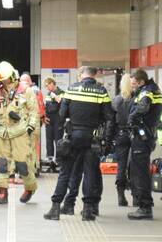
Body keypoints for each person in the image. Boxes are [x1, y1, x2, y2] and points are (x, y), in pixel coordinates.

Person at [43, 65, 114, 221]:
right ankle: (88, 211)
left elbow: (62, 114)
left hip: (73, 136)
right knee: (90, 173)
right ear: (94, 76)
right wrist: (106, 141)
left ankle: (55, 209)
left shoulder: (71, 89)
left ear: (82, 75)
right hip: (92, 138)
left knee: (65, 172)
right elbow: (109, 117)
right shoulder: (101, 91)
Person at [0, 61, 39, 204]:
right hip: (2, 133)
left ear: (11, 76)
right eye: (0, 80)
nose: (3, 82)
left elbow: (34, 112)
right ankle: (3, 193)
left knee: (22, 164)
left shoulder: (25, 90)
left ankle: (30, 188)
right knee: (2, 164)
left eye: (5, 79)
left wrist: (30, 128)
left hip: (20, 133)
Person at [127, 69, 162, 220]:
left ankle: (145, 207)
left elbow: (142, 108)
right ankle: (145, 205)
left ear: (142, 82)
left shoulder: (147, 92)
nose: (133, 86)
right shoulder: (153, 90)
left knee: (140, 172)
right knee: (141, 170)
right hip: (148, 135)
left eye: (135, 84)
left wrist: (131, 118)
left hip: (142, 137)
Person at [112, 73, 134, 207]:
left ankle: (121, 196)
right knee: (135, 165)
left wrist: (109, 138)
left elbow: (111, 121)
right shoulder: (137, 99)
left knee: (121, 165)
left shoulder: (117, 100)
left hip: (120, 134)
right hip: (134, 133)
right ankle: (136, 196)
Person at [18, 73, 45, 176]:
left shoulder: (22, 91)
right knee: (34, 146)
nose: (22, 84)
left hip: (26, 122)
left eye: (23, 82)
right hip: (34, 122)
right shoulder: (37, 91)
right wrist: (42, 118)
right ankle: (34, 168)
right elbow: (41, 107)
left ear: (29, 82)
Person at [43, 77, 63, 170]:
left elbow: (62, 102)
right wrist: (44, 116)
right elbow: (46, 106)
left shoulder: (61, 92)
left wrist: (54, 96)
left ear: (52, 83)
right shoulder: (48, 94)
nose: (47, 88)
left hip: (58, 119)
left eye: (47, 86)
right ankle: (50, 161)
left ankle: (58, 162)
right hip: (49, 120)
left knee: (58, 141)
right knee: (49, 141)